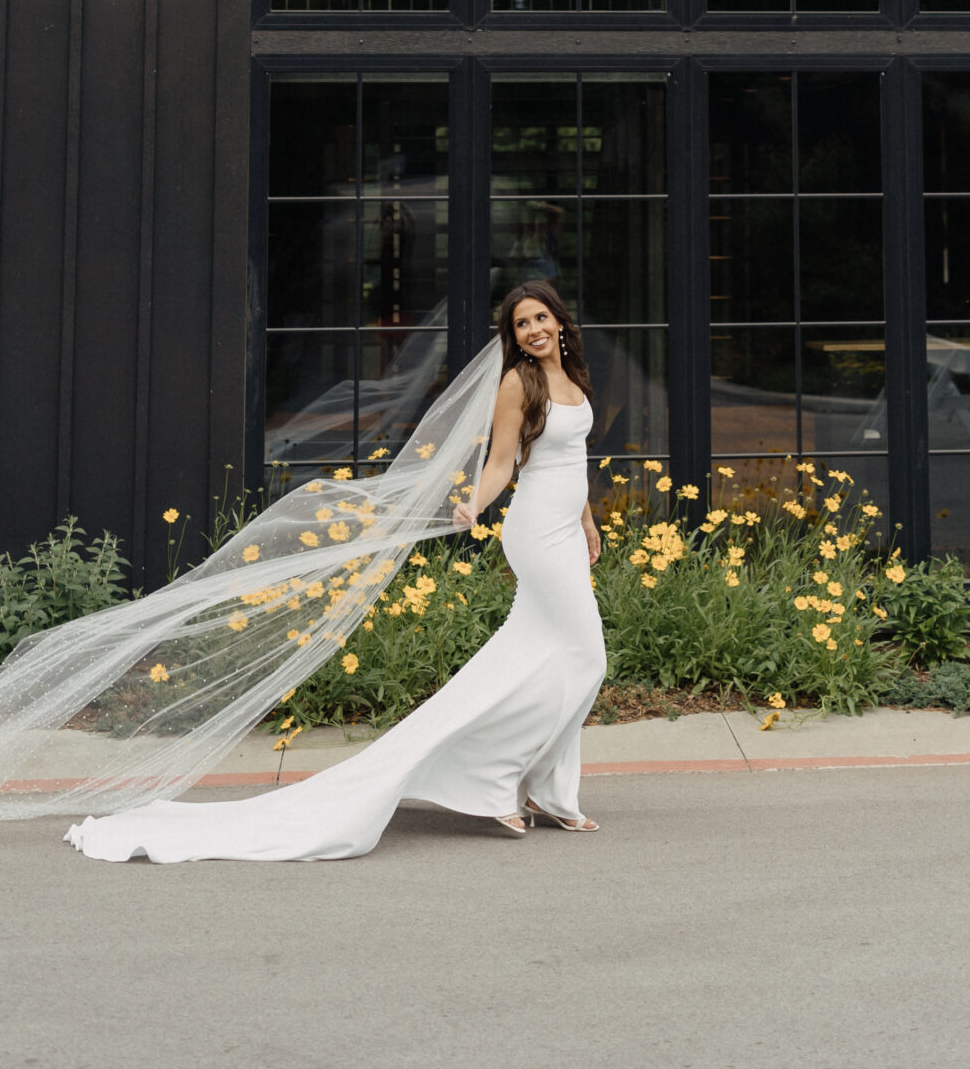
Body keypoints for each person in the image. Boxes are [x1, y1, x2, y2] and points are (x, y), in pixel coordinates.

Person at [61, 284, 605, 862]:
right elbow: (501, 462)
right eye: (521, 324)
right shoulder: (519, 383)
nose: (532, 330)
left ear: (559, 321)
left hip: (567, 531)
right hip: (536, 534)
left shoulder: (573, 377)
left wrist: (588, 521)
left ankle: (541, 788)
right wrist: (473, 502)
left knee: (541, 657)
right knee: (587, 656)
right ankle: (497, 775)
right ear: (512, 335)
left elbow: (572, 461)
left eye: (540, 318)